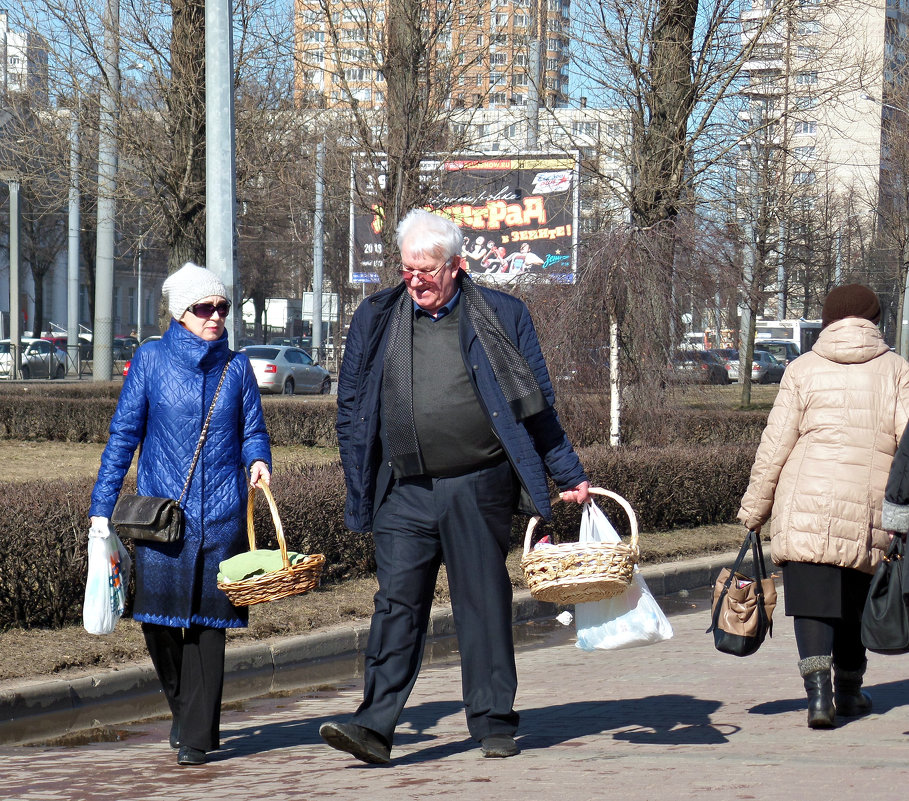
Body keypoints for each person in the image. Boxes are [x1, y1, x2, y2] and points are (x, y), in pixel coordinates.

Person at [322, 209, 589, 763]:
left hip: (478, 483)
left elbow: (535, 403)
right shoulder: (376, 316)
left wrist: (567, 471)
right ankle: (374, 726)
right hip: (403, 489)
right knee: (396, 604)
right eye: (407, 269)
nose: (415, 280)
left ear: (457, 266)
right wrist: (359, 475)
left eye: (427, 269)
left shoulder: (501, 314)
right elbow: (351, 404)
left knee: (483, 602)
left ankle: (493, 721)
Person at [89, 262, 272, 766]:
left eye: (222, 308)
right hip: (162, 521)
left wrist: (258, 459)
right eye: (204, 309)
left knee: (211, 627)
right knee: (160, 626)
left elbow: (253, 429)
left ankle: (196, 733)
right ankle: (184, 709)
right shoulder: (150, 361)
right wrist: (101, 509)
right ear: (180, 314)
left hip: (222, 517)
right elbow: (123, 436)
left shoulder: (237, 368)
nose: (216, 317)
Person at [738, 284, 909, 728]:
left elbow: (775, 445)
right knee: (854, 599)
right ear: (875, 318)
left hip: (805, 502)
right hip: (868, 506)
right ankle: (850, 692)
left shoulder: (802, 369)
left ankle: (818, 700)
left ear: (828, 319)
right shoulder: (897, 370)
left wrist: (754, 511)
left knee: (813, 602)